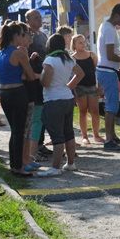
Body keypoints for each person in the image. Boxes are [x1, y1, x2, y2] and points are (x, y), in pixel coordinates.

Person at [0, 21, 38, 176]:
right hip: (17, 92)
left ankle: (14, 165)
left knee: (14, 131)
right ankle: (18, 167)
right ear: (15, 36)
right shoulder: (18, 53)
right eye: (21, 34)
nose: (23, 37)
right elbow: (31, 76)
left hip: (4, 93)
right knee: (19, 131)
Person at [37, 33, 83, 176]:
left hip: (53, 100)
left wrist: (40, 76)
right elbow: (80, 74)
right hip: (67, 98)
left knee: (57, 136)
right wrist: (68, 86)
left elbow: (46, 83)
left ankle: (55, 168)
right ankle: (70, 163)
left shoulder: (49, 60)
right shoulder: (68, 59)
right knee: (68, 133)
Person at [96, 3, 120, 150]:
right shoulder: (109, 29)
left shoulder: (107, 26)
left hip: (106, 70)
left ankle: (112, 136)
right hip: (108, 71)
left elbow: (114, 48)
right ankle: (108, 140)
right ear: (117, 15)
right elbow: (110, 55)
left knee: (112, 105)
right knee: (111, 107)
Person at [24, 10, 49, 165]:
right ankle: (33, 150)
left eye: (40, 17)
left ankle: (40, 144)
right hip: (32, 79)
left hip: (44, 78)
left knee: (43, 113)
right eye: (35, 17)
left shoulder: (43, 36)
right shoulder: (26, 36)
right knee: (35, 115)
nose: (39, 19)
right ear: (27, 20)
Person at [72, 34, 103, 144]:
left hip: (92, 86)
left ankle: (96, 135)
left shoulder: (92, 55)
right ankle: (84, 136)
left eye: (84, 41)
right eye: (80, 42)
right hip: (79, 87)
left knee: (95, 111)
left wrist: (99, 86)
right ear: (74, 45)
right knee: (83, 111)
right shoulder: (73, 58)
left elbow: (97, 71)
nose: (83, 44)